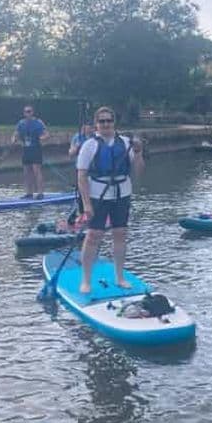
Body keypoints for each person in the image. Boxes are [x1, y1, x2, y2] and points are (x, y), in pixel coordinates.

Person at [76, 106, 144, 294]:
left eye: (109, 121)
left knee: (120, 233)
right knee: (93, 236)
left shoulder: (126, 143)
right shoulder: (89, 145)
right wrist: (87, 204)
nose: (106, 124)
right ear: (96, 124)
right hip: (98, 194)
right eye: (102, 121)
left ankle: (120, 277)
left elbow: (138, 171)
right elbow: (81, 176)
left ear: (114, 123)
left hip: (122, 193)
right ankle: (86, 280)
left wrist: (138, 152)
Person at [12, 105, 50, 199]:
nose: (27, 113)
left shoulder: (38, 122)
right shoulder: (21, 123)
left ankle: (40, 193)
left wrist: (42, 138)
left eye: (29, 111)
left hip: (36, 149)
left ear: (32, 112)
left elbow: (47, 134)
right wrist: (13, 139)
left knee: (36, 171)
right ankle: (29, 193)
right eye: (26, 112)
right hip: (26, 149)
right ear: (24, 113)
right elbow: (15, 134)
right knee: (26, 172)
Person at [67, 122, 93, 222]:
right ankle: (82, 213)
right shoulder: (77, 137)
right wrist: (76, 148)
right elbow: (70, 153)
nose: (89, 128)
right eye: (87, 126)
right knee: (81, 191)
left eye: (91, 127)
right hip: (81, 168)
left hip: (93, 169)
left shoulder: (95, 137)